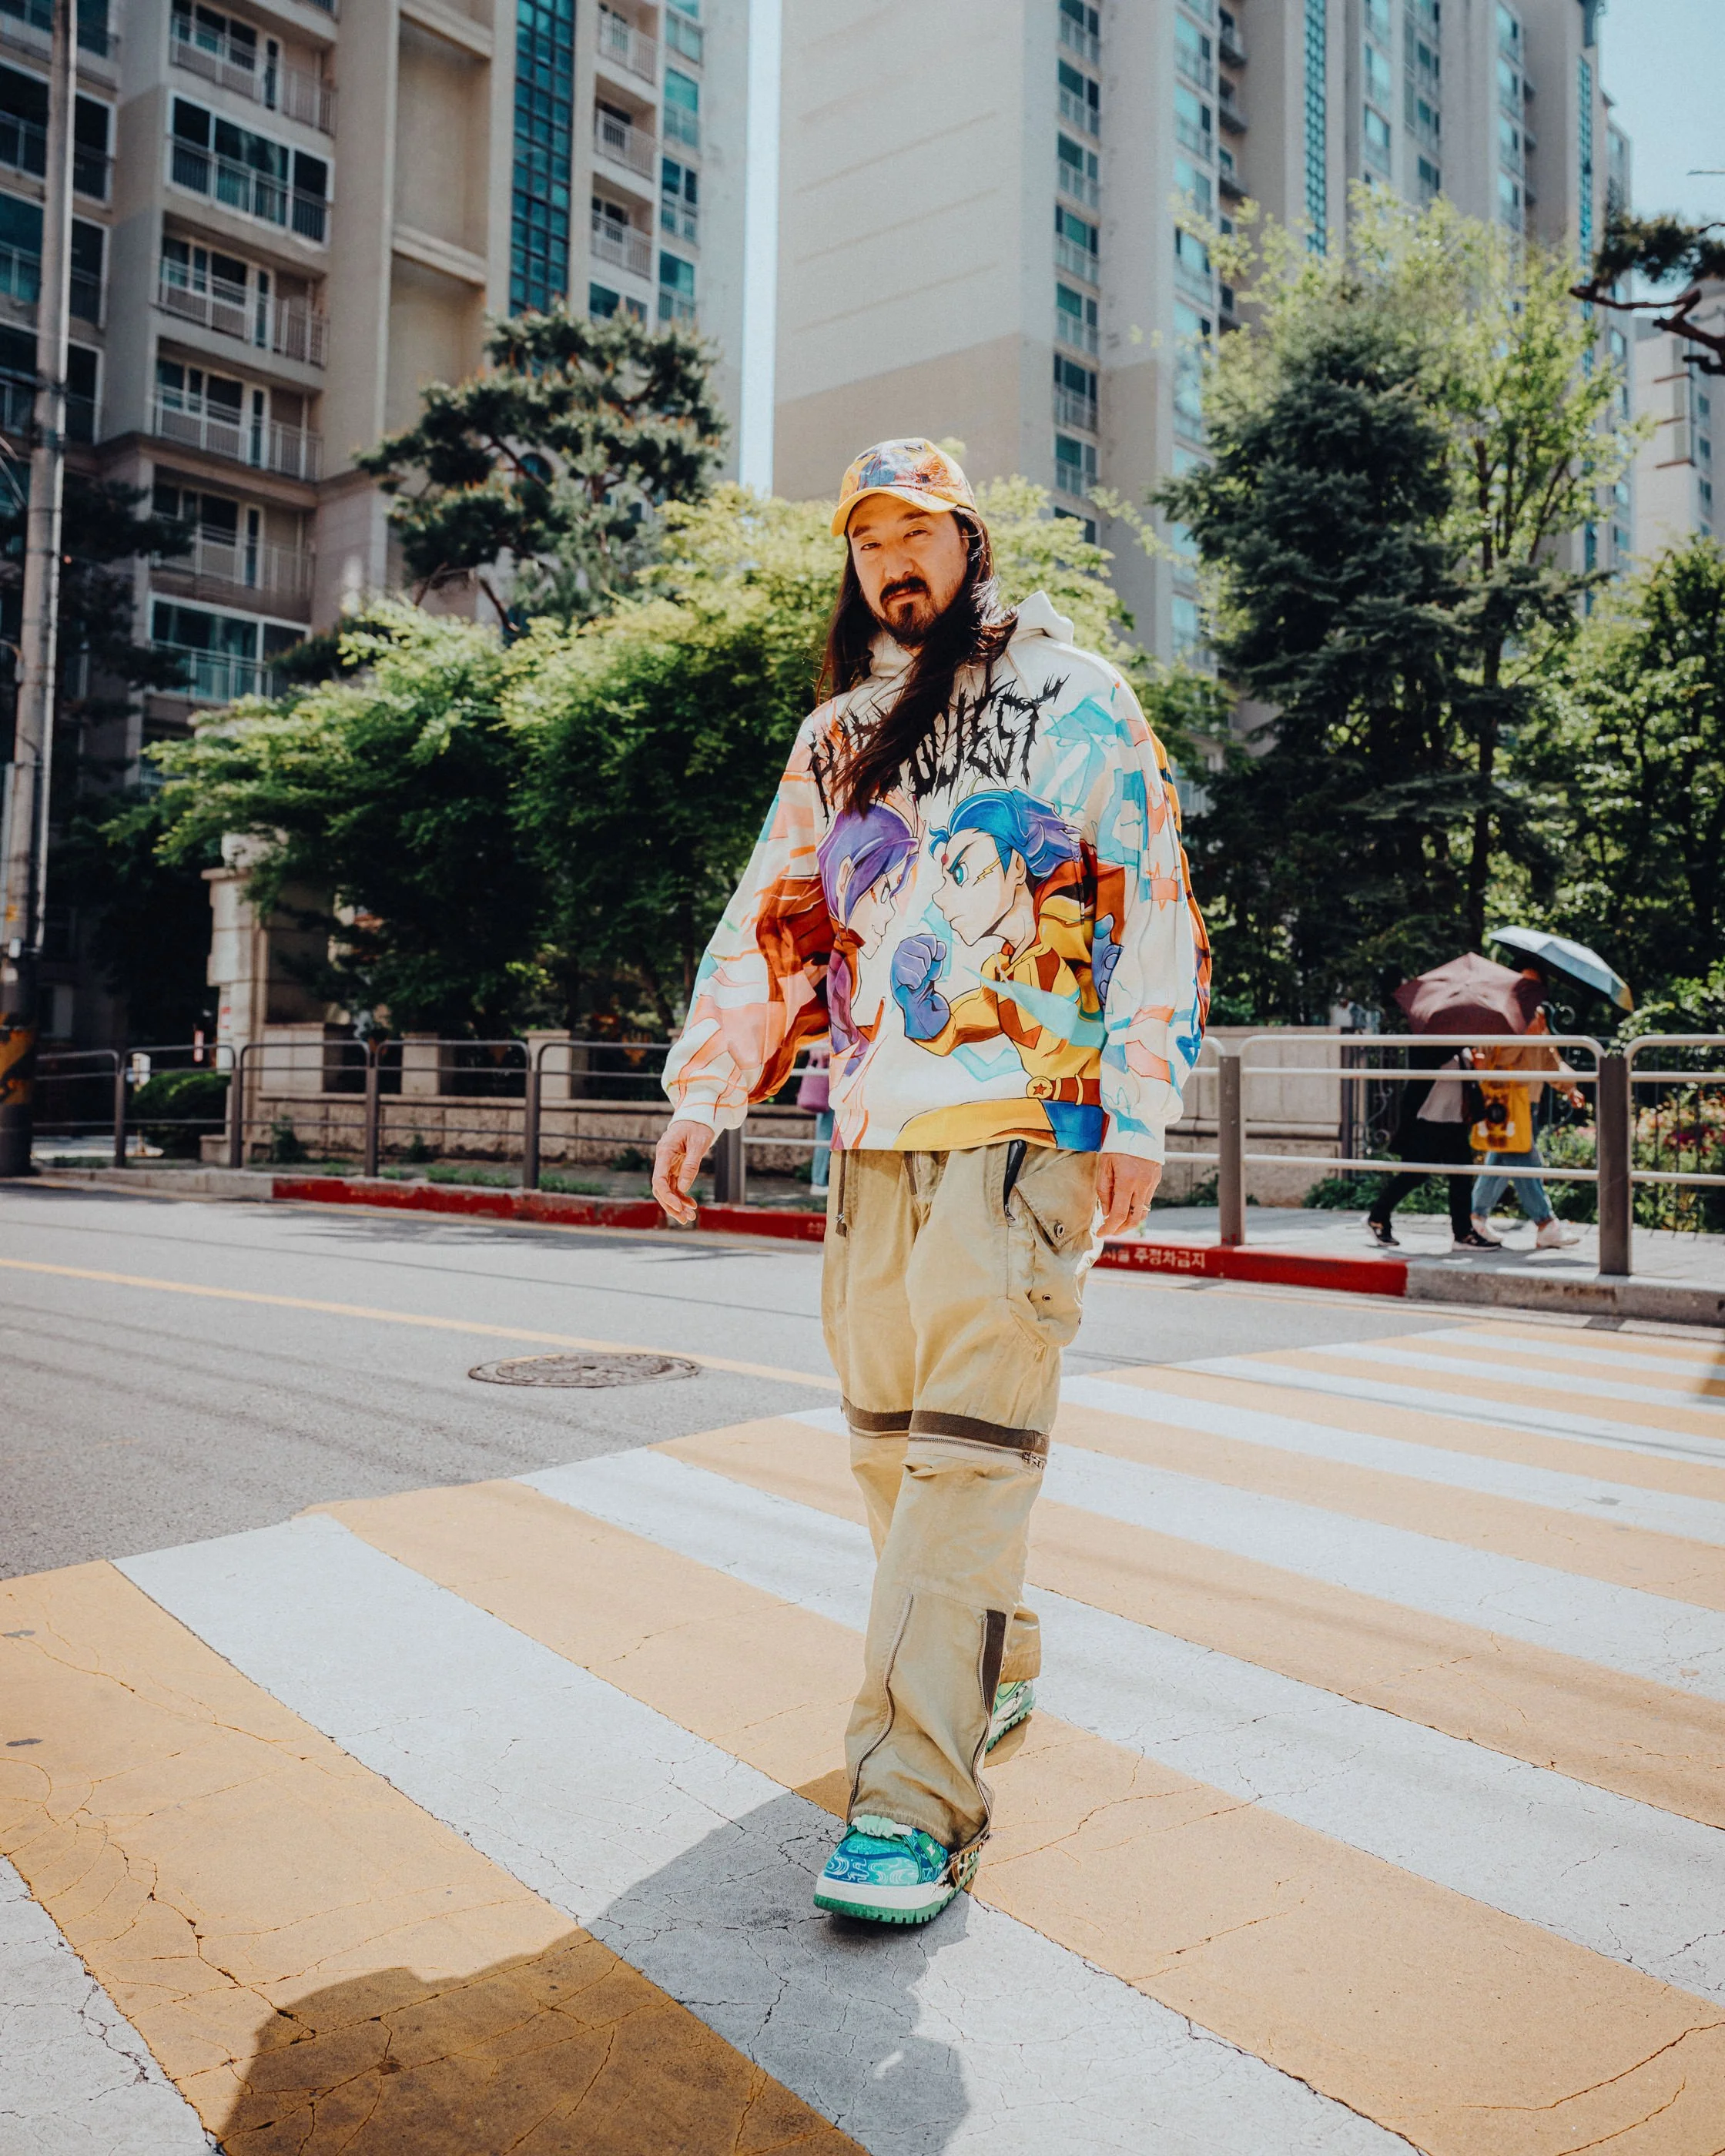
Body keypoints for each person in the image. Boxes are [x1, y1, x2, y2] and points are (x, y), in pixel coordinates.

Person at [652, 438, 1208, 1926]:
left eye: (919, 532)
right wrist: (709, 1083)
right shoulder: (840, 737)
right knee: (893, 1461)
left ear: (970, 542)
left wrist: (1139, 1111)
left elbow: (1152, 893)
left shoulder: (1072, 697)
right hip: (870, 1153)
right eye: (868, 540)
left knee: (962, 1463)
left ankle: (909, 1802)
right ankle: (994, 1652)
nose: (893, 561)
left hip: (1021, 1139)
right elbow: (770, 919)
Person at [1469, 1014, 1585, 1248]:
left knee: (1503, 1160)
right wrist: (1522, 1035)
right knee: (1524, 1158)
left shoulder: (1536, 1016)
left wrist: (1570, 1088)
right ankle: (1545, 1223)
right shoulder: (1503, 1017)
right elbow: (1492, 1056)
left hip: (1528, 1101)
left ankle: (1475, 1217)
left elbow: (1551, 1060)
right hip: (1504, 1103)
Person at [1366, 1049, 1493, 1250]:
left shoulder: (1463, 1051)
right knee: (1413, 1176)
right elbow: (1433, 1060)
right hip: (1426, 1123)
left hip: (1455, 1123)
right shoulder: (1429, 1046)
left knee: (1461, 1178)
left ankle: (1463, 1234)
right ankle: (1378, 1218)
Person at [799, 1048, 833, 1196]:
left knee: (825, 1134)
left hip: (833, 1084)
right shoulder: (827, 1031)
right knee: (825, 1133)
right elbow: (817, 1052)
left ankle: (819, 1180)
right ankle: (818, 1181)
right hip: (830, 1086)